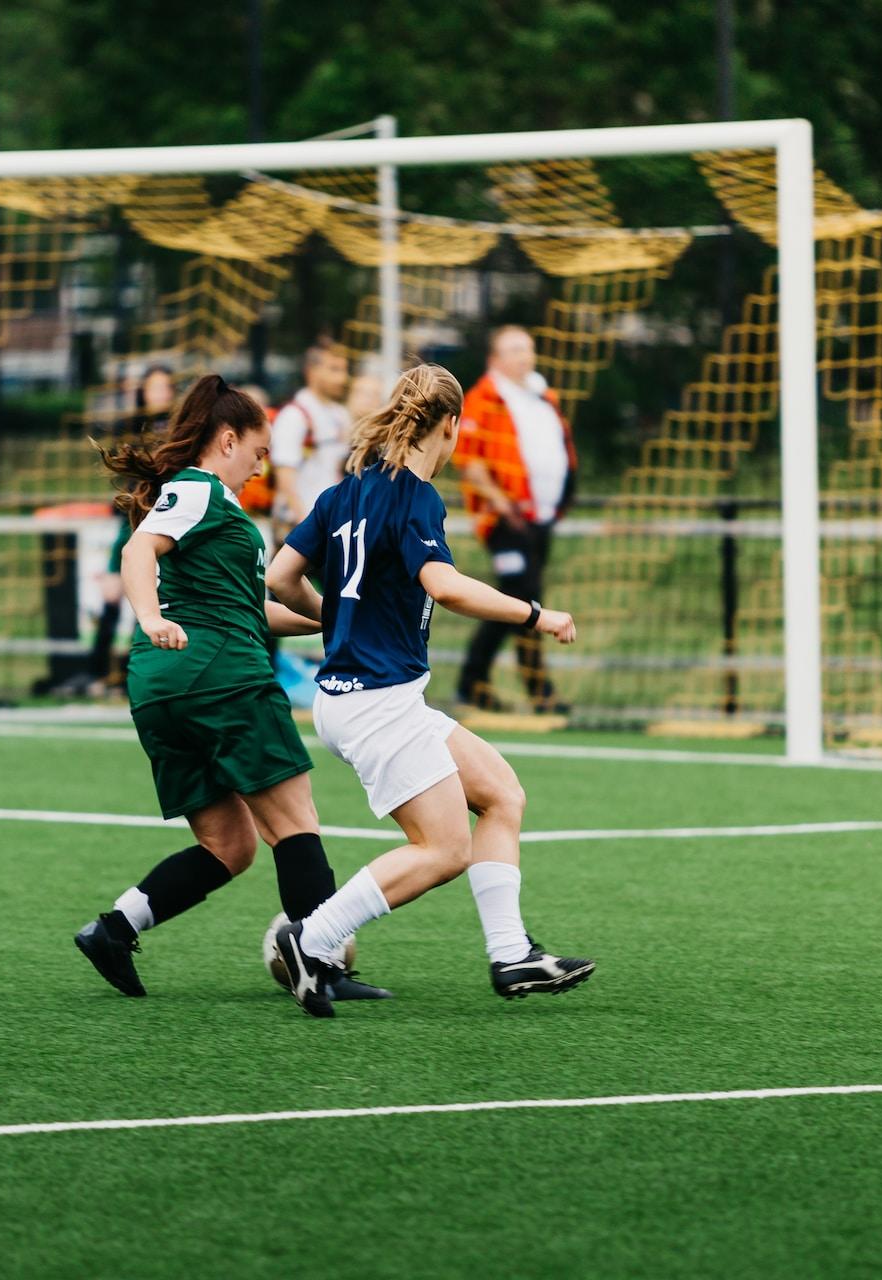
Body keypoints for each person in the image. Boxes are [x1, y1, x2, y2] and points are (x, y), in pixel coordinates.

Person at [265, 363, 593, 1019]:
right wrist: (536, 614)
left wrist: (335, 618)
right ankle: (314, 940)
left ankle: (510, 955)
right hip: (376, 701)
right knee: (443, 849)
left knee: (501, 793)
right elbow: (444, 585)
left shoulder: (343, 492)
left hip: (364, 697)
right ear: (449, 426)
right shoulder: (415, 495)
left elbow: (279, 576)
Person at [71, 373, 388, 1003]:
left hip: (164, 687)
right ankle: (319, 963)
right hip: (219, 674)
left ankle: (113, 929)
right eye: (258, 451)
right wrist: (152, 618)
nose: (261, 465)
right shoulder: (196, 490)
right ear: (225, 439)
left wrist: (338, 621)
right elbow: (139, 555)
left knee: (230, 845)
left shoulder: (213, 506)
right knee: (296, 821)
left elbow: (251, 608)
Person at [453, 325, 577, 715]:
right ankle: (478, 682)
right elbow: (469, 462)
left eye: (528, 348)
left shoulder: (542, 396)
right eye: (513, 350)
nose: (524, 356)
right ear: (495, 359)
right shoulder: (483, 399)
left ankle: (532, 689)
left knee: (527, 599)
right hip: (505, 519)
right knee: (517, 597)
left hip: (538, 519)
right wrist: (502, 504)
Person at [84, 365, 178, 696]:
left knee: (152, 603)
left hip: (160, 527)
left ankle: (137, 674)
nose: (160, 394)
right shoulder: (130, 430)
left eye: (165, 387)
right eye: (154, 388)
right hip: (132, 526)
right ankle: (96, 673)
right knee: (112, 598)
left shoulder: (181, 433)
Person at [269, 341, 352, 537]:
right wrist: (304, 528)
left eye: (344, 370)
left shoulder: (340, 415)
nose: (342, 378)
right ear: (311, 372)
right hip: (300, 526)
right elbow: (284, 475)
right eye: (334, 369)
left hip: (331, 526)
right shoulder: (295, 414)